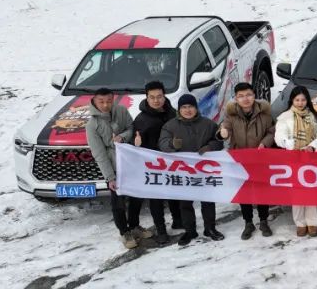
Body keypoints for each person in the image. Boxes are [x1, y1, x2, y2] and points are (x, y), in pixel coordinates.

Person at [86, 88, 148, 249]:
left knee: (136, 197)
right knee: (118, 203)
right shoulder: (92, 125)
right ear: (94, 100)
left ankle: (135, 226)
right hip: (114, 167)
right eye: (101, 101)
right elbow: (99, 153)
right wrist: (110, 177)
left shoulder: (121, 110)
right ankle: (124, 232)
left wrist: (123, 137)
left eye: (108, 101)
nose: (105, 105)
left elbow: (131, 128)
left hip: (129, 162)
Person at [159, 94, 224, 246]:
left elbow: (218, 141)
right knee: (185, 203)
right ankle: (190, 230)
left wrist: (210, 147)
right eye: (184, 107)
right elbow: (162, 144)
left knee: (208, 200)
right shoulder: (170, 126)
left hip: (204, 170)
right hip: (183, 172)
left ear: (196, 108)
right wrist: (172, 145)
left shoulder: (208, 124)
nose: (188, 110)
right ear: (179, 109)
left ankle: (210, 228)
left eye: (191, 107)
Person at [220, 82, 276, 239]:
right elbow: (225, 130)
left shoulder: (265, 114)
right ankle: (248, 222)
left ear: (254, 96)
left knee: (262, 191)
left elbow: (272, 132)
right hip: (240, 161)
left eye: (249, 95)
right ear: (236, 98)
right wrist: (223, 133)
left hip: (260, 159)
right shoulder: (231, 116)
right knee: (244, 192)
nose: (245, 99)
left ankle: (264, 220)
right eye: (241, 96)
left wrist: (265, 143)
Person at [132, 80, 183, 244]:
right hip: (153, 165)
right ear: (146, 98)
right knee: (156, 198)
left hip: (172, 162)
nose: (156, 100)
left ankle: (178, 220)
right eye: (152, 97)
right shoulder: (141, 120)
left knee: (175, 193)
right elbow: (135, 146)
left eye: (159, 96)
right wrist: (136, 144)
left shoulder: (173, 113)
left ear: (164, 96)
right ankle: (161, 230)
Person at [275, 85, 317, 236]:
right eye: (297, 100)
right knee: (297, 192)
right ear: (292, 100)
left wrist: (313, 146)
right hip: (293, 159)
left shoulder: (315, 117)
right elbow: (279, 134)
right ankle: (300, 223)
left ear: (307, 101)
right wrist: (286, 142)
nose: (300, 103)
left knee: (313, 191)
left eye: (303, 100)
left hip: (311, 158)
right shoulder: (285, 117)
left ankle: (312, 222)